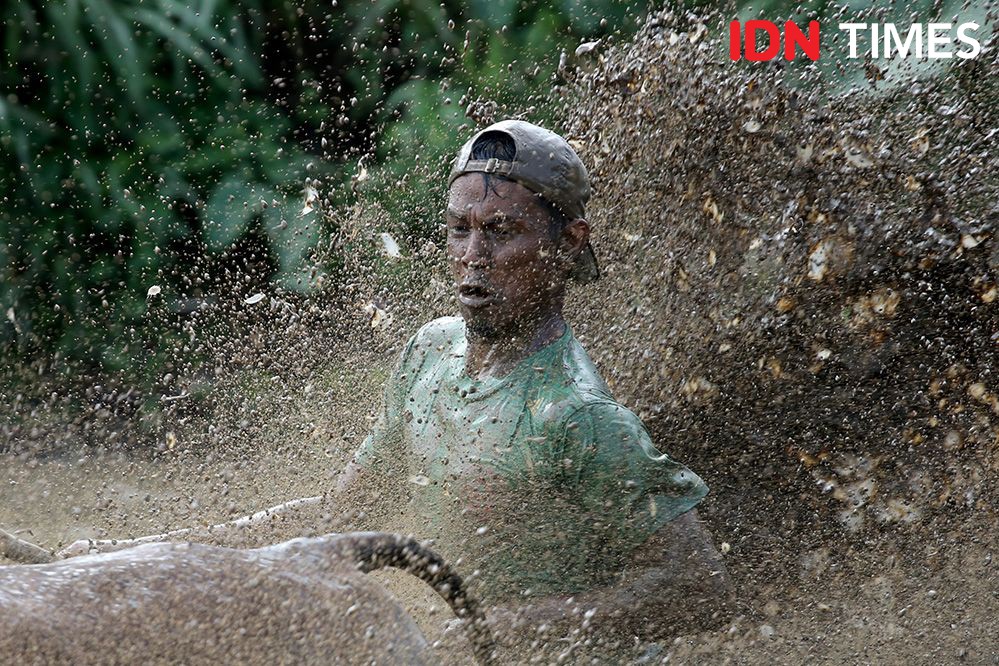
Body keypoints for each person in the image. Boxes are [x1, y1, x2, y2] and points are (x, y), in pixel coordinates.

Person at [59, 120, 734, 654]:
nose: (473, 257)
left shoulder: (577, 416)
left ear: (567, 241)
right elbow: (340, 514)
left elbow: (699, 588)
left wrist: (510, 626)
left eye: (501, 232)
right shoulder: (431, 353)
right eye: (459, 229)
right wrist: (156, 552)